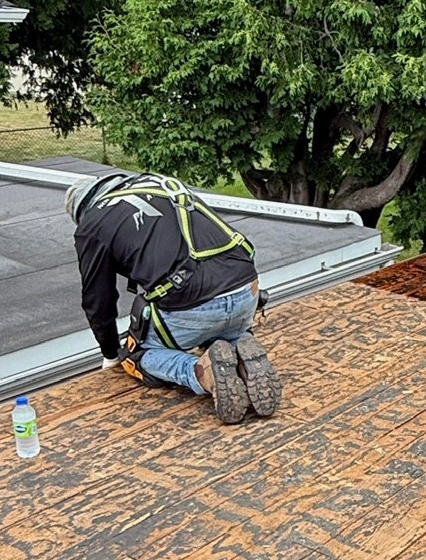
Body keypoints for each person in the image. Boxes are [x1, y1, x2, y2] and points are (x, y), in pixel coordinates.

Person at [66, 171, 280, 424]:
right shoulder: (158, 183)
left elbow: (97, 301)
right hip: (246, 287)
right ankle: (239, 347)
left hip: (190, 305)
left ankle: (203, 374)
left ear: (81, 212)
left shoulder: (92, 224)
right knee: (221, 328)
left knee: (137, 356)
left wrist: (112, 352)